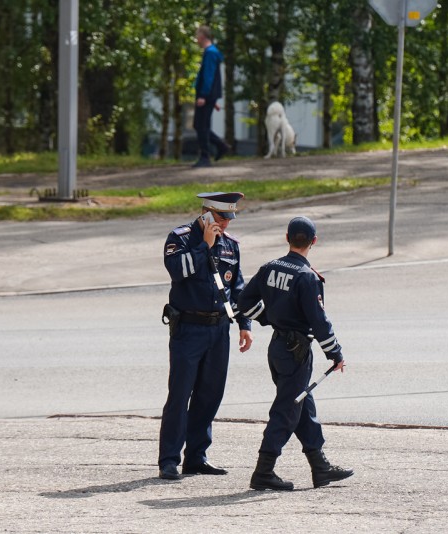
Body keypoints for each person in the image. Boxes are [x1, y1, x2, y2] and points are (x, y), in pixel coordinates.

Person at [238, 216, 353, 491]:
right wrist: (335, 353)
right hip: (297, 351)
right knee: (287, 409)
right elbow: (319, 321)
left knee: (302, 404)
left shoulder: (269, 268)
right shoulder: (307, 277)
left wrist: (267, 320)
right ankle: (263, 471)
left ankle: (320, 466)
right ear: (314, 241)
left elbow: (243, 301)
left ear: (286, 237)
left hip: (278, 347)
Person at [158, 192, 253, 480]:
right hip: (188, 328)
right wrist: (204, 247)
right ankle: (169, 460)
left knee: (209, 395)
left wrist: (244, 324)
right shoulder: (181, 237)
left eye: (229, 219)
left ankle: (196, 457)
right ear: (206, 214)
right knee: (180, 395)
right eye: (221, 218)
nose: (225, 224)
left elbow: (236, 288)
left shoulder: (231, 245)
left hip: (218, 329)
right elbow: (178, 271)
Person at [192, 25, 229, 168]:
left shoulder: (210, 53)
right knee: (202, 125)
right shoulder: (211, 52)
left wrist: (204, 95)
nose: (196, 39)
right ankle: (220, 146)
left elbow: (208, 76)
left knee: (201, 125)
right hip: (208, 96)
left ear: (202, 36)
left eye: (197, 35)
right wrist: (211, 99)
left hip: (205, 95)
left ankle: (206, 156)